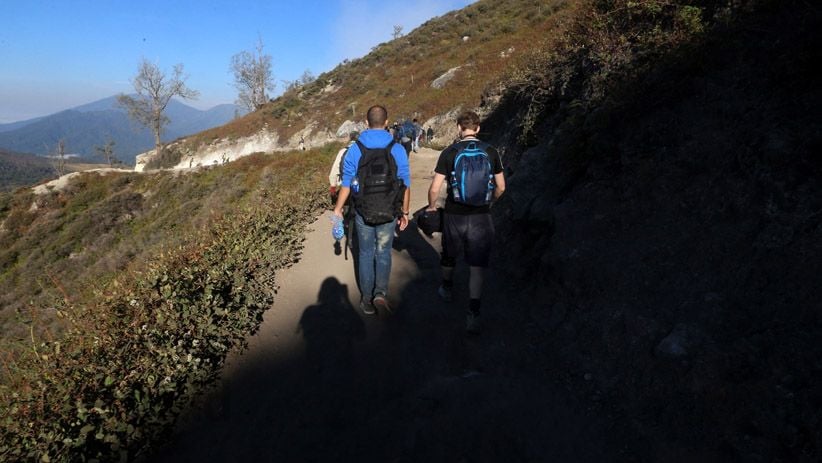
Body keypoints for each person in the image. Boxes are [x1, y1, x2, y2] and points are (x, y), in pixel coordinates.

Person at [425, 110, 505, 334]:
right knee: (477, 266)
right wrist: (490, 202)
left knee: (449, 255)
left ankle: (447, 288)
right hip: (481, 215)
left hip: (454, 215)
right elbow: (501, 187)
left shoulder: (450, 152)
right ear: (478, 128)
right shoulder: (491, 151)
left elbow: (434, 188)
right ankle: (473, 312)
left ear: (459, 128)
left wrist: (432, 207)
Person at [333, 105, 411, 315]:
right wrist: (404, 212)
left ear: (366, 123)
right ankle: (380, 294)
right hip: (389, 211)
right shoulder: (397, 148)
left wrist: (338, 209)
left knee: (365, 253)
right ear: (387, 122)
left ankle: (366, 300)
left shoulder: (355, 149)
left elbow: (347, 184)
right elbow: (405, 183)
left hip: (363, 211)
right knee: (383, 252)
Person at [328, 131, 359, 204]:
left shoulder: (343, 151)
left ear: (350, 138)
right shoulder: (364, 151)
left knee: (347, 211)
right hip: (362, 188)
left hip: (346, 187)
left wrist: (333, 188)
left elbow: (334, 172)